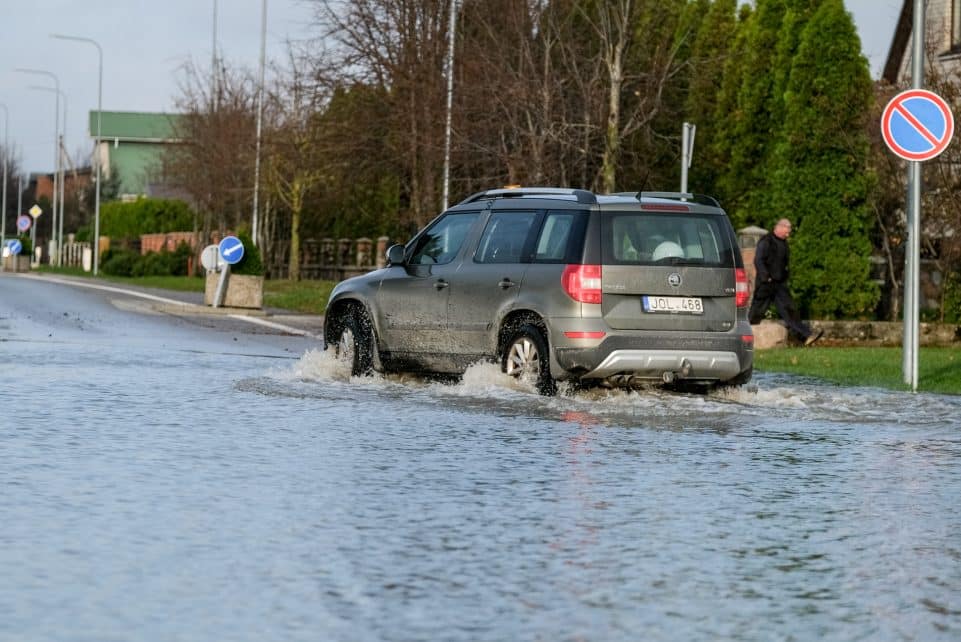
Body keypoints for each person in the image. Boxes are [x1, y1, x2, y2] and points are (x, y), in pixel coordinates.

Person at [748, 218, 823, 346]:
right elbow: (758, 260)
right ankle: (746, 335)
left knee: (789, 309)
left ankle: (806, 336)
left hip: (779, 284)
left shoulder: (783, 243)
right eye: (787, 232)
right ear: (779, 227)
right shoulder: (766, 241)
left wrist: (785, 276)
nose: (788, 235)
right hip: (766, 283)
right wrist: (766, 277)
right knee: (757, 311)